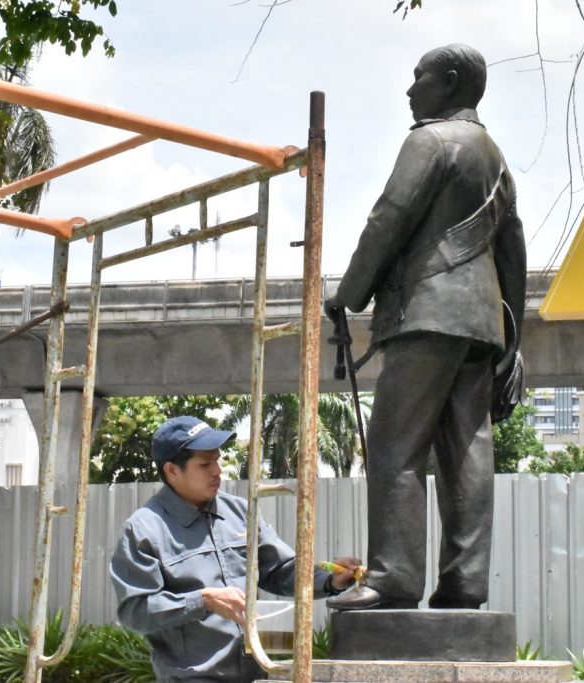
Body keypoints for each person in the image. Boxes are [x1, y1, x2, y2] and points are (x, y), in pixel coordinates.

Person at [324, 44, 526, 611]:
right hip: (480, 324)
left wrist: (350, 292)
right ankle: (465, 584)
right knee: (467, 451)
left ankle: (394, 579)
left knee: (396, 445)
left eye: (421, 79)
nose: (410, 91)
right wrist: (514, 336)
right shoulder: (495, 157)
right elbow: (512, 246)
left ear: (452, 83)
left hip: (428, 313)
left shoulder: (430, 141)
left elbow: (390, 215)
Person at [110, 415, 359, 682]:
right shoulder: (143, 530)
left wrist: (330, 580)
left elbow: (280, 569)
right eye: (205, 463)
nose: (217, 470)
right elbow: (135, 612)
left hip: (256, 673)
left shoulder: (241, 512)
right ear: (172, 471)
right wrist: (203, 600)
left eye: (216, 460)